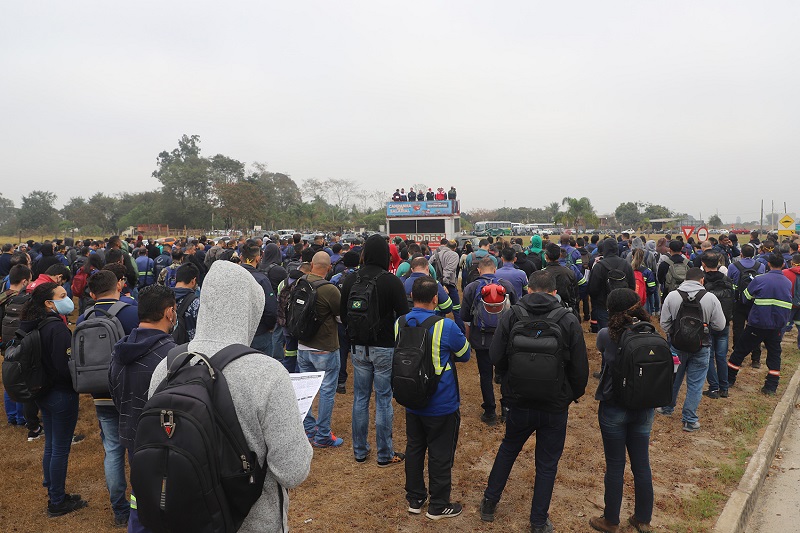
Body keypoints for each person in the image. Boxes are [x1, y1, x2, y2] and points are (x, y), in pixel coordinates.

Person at [148, 260, 312, 532]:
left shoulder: (167, 366)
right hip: (251, 522)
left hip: (183, 515)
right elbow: (292, 471)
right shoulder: (267, 373)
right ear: (251, 309)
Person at [480, 271, 589, 532]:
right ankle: (538, 521)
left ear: (529, 290)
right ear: (554, 292)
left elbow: (496, 355)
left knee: (508, 448)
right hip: (555, 404)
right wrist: (570, 394)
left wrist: (508, 383)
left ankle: (489, 503)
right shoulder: (568, 319)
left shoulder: (512, 314)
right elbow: (580, 368)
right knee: (547, 463)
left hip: (519, 400)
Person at [109, 284, 177, 532]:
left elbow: (115, 393)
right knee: (166, 505)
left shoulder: (120, 350)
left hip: (132, 438)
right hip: (165, 445)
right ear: (169, 312)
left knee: (140, 498)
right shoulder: (172, 355)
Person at [401, 276, 470, 520]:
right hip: (441, 402)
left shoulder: (400, 322)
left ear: (411, 297)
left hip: (411, 397)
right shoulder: (445, 326)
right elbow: (464, 354)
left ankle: (415, 498)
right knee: (440, 454)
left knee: (414, 448)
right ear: (435, 299)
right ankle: (439, 505)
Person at [589, 289, 655, 533]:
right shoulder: (651, 330)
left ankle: (611, 520)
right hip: (645, 405)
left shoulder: (607, 334)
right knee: (642, 464)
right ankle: (643, 519)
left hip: (614, 405)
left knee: (615, 464)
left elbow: (602, 354)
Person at [340, 234, 409, 466]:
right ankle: (384, 454)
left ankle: (359, 451)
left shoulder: (350, 280)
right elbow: (403, 315)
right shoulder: (391, 281)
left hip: (358, 348)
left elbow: (342, 314)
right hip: (384, 347)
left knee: (360, 398)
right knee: (383, 400)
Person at [20, 283, 88, 516]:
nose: (68, 299)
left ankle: (53, 487)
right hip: (60, 392)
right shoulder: (57, 329)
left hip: (43, 392)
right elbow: (63, 367)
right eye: (62, 296)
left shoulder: (35, 324)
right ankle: (57, 501)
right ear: (49, 303)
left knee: (51, 444)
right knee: (60, 448)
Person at [79, 269, 139, 527]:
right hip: (129, 391)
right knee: (138, 449)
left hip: (100, 391)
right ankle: (142, 505)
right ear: (119, 286)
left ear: (92, 293)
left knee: (113, 450)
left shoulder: (84, 316)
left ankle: (119, 510)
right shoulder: (131, 312)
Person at [657, 268, 726, 431]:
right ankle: (689, 420)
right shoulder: (710, 298)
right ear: (702, 280)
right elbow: (720, 325)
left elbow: (664, 323)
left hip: (677, 346)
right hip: (701, 346)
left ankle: (667, 407)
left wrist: (674, 333)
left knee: (673, 379)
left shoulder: (672, 296)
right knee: (695, 384)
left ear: (685, 279)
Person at [295, 252, 344, 448]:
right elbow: (342, 317)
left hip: (302, 345)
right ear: (329, 267)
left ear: (312, 265)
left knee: (305, 389)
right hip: (324, 347)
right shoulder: (329, 289)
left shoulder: (299, 282)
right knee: (326, 390)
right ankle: (323, 435)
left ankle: (308, 428)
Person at [461, 257, 517, 425]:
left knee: (486, 375)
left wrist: (468, 340)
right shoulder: (506, 285)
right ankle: (507, 410)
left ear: (478, 270)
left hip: (482, 339)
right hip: (505, 339)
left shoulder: (471, 288)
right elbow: (516, 311)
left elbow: (465, 318)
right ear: (495, 269)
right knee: (506, 373)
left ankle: (490, 411)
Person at [727, 254, 793, 396]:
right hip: (776, 326)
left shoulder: (759, 279)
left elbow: (745, 298)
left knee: (740, 351)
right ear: (783, 265)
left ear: (768, 264)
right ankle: (771, 387)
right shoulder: (788, 282)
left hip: (757, 324)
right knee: (775, 355)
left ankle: (729, 379)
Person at [1, 264, 33, 428]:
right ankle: (23, 417)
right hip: (22, 344)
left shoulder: (2, 298)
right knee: (24, 381)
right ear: (24, 281)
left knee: (10, 380)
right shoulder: (26, 300)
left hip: (6, 344)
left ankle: (12, 416)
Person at [700, 252, 734, 399]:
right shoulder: (727, 280)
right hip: (724, 323)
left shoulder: (702, 281)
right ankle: (724, 388)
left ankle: (713, 388)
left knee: (708, 356)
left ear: (703, 264)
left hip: (707, 324)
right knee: (721, 357)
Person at [727, 243, 766, 367]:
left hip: (738, 303)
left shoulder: (733, 266)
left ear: (741, 254)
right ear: (754, 254)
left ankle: (738, 357)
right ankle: (756, 359)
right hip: (755, 303)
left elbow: (729, 282)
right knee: (755, 329)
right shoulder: (761, 266)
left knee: (738, 329)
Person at [239, 239, 279, 357]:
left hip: (238, 333)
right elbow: (270, 309)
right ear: (258, 258)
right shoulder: (261, 280)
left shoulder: (233, 276)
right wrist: (270, 326)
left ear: (241, 257)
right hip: (259, 332)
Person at [589, 238, 636, 330]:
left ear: (605, 249)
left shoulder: (599, 266)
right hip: (623, 307)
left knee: (606, 335)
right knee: (623, 333)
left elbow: (592, 289)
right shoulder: (627, 265)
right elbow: (632, 287)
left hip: (604, 307)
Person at [173, 263, 201, 343]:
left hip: (167, 349)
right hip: (189, 350)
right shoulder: (196, 303)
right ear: (193, 281)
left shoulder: (163, 298)